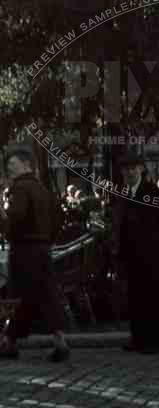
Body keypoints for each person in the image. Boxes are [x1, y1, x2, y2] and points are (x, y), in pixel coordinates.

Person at [0, 147, 69, 362]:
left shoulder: (19, 189)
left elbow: (14, 222)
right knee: (45, 296)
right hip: (42, 249)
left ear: (25, 165)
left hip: (23, 250)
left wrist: (2, 216)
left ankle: (9, 343)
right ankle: (59, 341)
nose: (9, 170)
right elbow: (58, 219)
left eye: (12, 165)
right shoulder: (42, 188)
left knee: (18, 297)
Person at [112, 151, 159, 354]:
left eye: (132, 168)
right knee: (135, 299)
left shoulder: (153, 192)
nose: (129, 172)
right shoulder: (123, 193)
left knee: (153, 299)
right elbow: (119, 223)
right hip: (130, 257)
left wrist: (153, 244)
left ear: (141, 169)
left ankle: (155, 342)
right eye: (125, 169)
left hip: (151, 256)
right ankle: (138, 338)